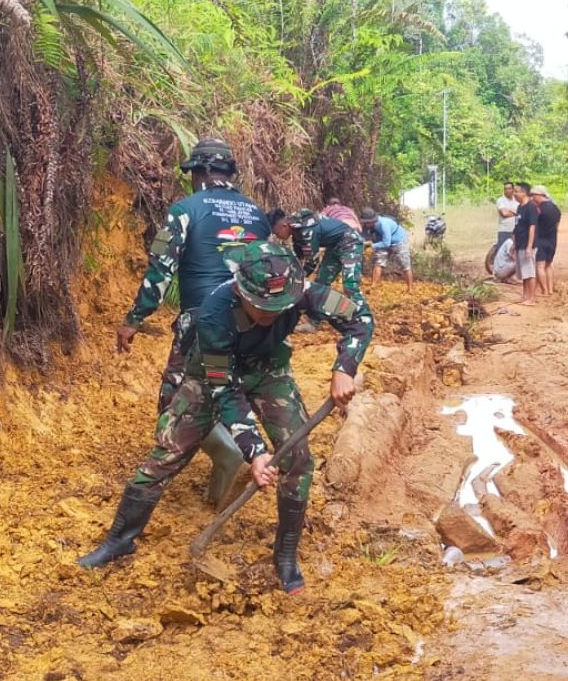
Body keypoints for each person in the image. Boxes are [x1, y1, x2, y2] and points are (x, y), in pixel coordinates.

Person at [79, 241, 374, 593]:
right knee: (168, 452)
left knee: (298, 457)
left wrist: (345, 366)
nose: (274, 315)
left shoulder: (303, 291)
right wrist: (255, 451)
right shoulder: (214, 313)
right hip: (210, 378)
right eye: (264, 308)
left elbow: (360, 318)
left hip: (269, 372)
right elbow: (226, 392)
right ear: (241, 290)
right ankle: (120, 540)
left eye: (281, 308)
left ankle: (285, 553)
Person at [115, 137, 267, 506]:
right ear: (229, 173)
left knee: (174, 402)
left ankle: (228, 453)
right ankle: (219, 490)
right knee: (226, 392)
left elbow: (161, 271)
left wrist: (135, 318)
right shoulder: (256, 214)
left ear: (199, 173)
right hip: (250, 324)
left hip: (201, 322)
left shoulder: (186, 209)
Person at [267, 208, 368, 310]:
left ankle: (364, 319)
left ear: (284, 226)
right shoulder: (296, 230)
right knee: (321, 284)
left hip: (350, 243)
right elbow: (298, 258)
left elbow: (312, 263)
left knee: (350, 286)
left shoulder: (305, 230)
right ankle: (314, 321)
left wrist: (295, 280)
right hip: (334, 246)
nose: (277, 236)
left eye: (276, 233)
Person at [360, 208, 414, 293]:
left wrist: (371, 245)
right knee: (379, 262)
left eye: (367, 222)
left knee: (405, 264)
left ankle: (410, 289)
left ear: (372, 221)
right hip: (381, 241)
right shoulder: (367, 226)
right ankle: (373, 286)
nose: (366, 224)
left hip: (399, 241)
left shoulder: (383, 224)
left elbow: (386, 243)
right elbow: (364, 237)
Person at [510, 182, 538, 305]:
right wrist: (514, 244)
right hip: (520, 243)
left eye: (516, 191)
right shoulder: (520, 207)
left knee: (530, 271)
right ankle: (525, 295)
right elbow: (517, 227)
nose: (514, 194)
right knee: (523, 272)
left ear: (524, 193)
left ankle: (531, 298)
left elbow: (532, 227)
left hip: (528, 244)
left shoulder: (531, 207)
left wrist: (529, 246)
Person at [531, 185, 561, 295]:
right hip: (552, 240)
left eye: (533, 195)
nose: (532, 198)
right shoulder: (555, 208)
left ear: (539, 195)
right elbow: (557, 225)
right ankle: (550, 289)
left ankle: (544, 291)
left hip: (540, 240)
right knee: (549, 265)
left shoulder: (537, 209)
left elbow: (533, 226)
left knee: (540, 266)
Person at [496, 182, 518, 247]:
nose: (507, 191)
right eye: (505, 189)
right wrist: (516, 213)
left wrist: (509, 210)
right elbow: (504, 213)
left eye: (509, 188)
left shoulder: (517, 200)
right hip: (504, 230)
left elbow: (521, 212)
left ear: (513, 190)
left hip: (516, 230)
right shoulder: (500, 200)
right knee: (502, 251)